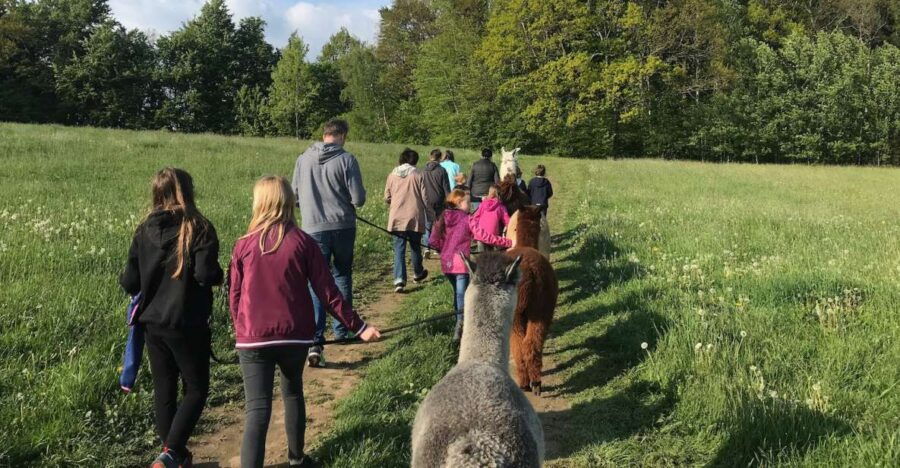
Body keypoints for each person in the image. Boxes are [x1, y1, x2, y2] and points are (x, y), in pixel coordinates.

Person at [229, 176, 381, 468]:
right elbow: (328, 293)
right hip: (295, 336)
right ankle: (297, 459)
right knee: (293, 393)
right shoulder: (304, 242)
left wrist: (241, 328)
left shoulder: (243, 246)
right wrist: (359, 327)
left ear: (259, 203)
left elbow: (234, 296)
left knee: (256, 410)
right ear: (289, 202)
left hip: (252, 338)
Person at [119, 168, 224, 468]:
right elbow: (205, 274)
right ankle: (170, 454)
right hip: (187, 322)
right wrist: (219, 275)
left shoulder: (143, 231)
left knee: (164, 390)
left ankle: (175, 454)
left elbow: (130, 283)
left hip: (152, 324)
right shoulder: (200, 227)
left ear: (156, 193)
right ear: (188, 192)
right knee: (197, 388)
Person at [292, 118, 366, 367]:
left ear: (324, 134)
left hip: (312, 228)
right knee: (342, 274)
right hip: (343, 225)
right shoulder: (347, 159)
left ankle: (315, 340)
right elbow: (359, 198)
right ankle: (344, 329)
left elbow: (295, 196)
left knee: (316, 282)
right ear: (342, 135)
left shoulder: (302, 159)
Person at [429, 188, 513, 341]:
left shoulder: (442, 217)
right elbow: (485, 236)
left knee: (457, 294)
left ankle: (458, 325)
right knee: (462, 297)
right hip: (461, 264)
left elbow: (433, 241)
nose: (470, 206)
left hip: (446, 264)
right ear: (459, 203)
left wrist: (444, 247)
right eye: (467, 203)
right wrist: (507, 242)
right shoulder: (467, 219)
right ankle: (460, 330)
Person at [385, 148, 429, 292]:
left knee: (399, 248)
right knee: (415, 246)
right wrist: (431, 215)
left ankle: (399, 279)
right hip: (414, 216)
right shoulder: (418, 174)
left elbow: (387, 197)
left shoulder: (392, 175)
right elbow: (425, 198)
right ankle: (417, 273)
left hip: (397, 217)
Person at [421, 149, 451, 256]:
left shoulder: (423, 170)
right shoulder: (442, 170)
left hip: (425, 200)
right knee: (439, 224)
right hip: (439, 200)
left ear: (430, 156)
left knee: (427, 225)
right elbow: (446, 188)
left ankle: (426, 247)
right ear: (440, 158)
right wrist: (449, 201)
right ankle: (437, 247)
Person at [470, 184, 510, 252]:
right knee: (493, 256)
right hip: (493, 235)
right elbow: (507, 221)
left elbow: (476, 218)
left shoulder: (483, 204)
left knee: (481, 256)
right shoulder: (501, 207)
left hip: (481, 234)